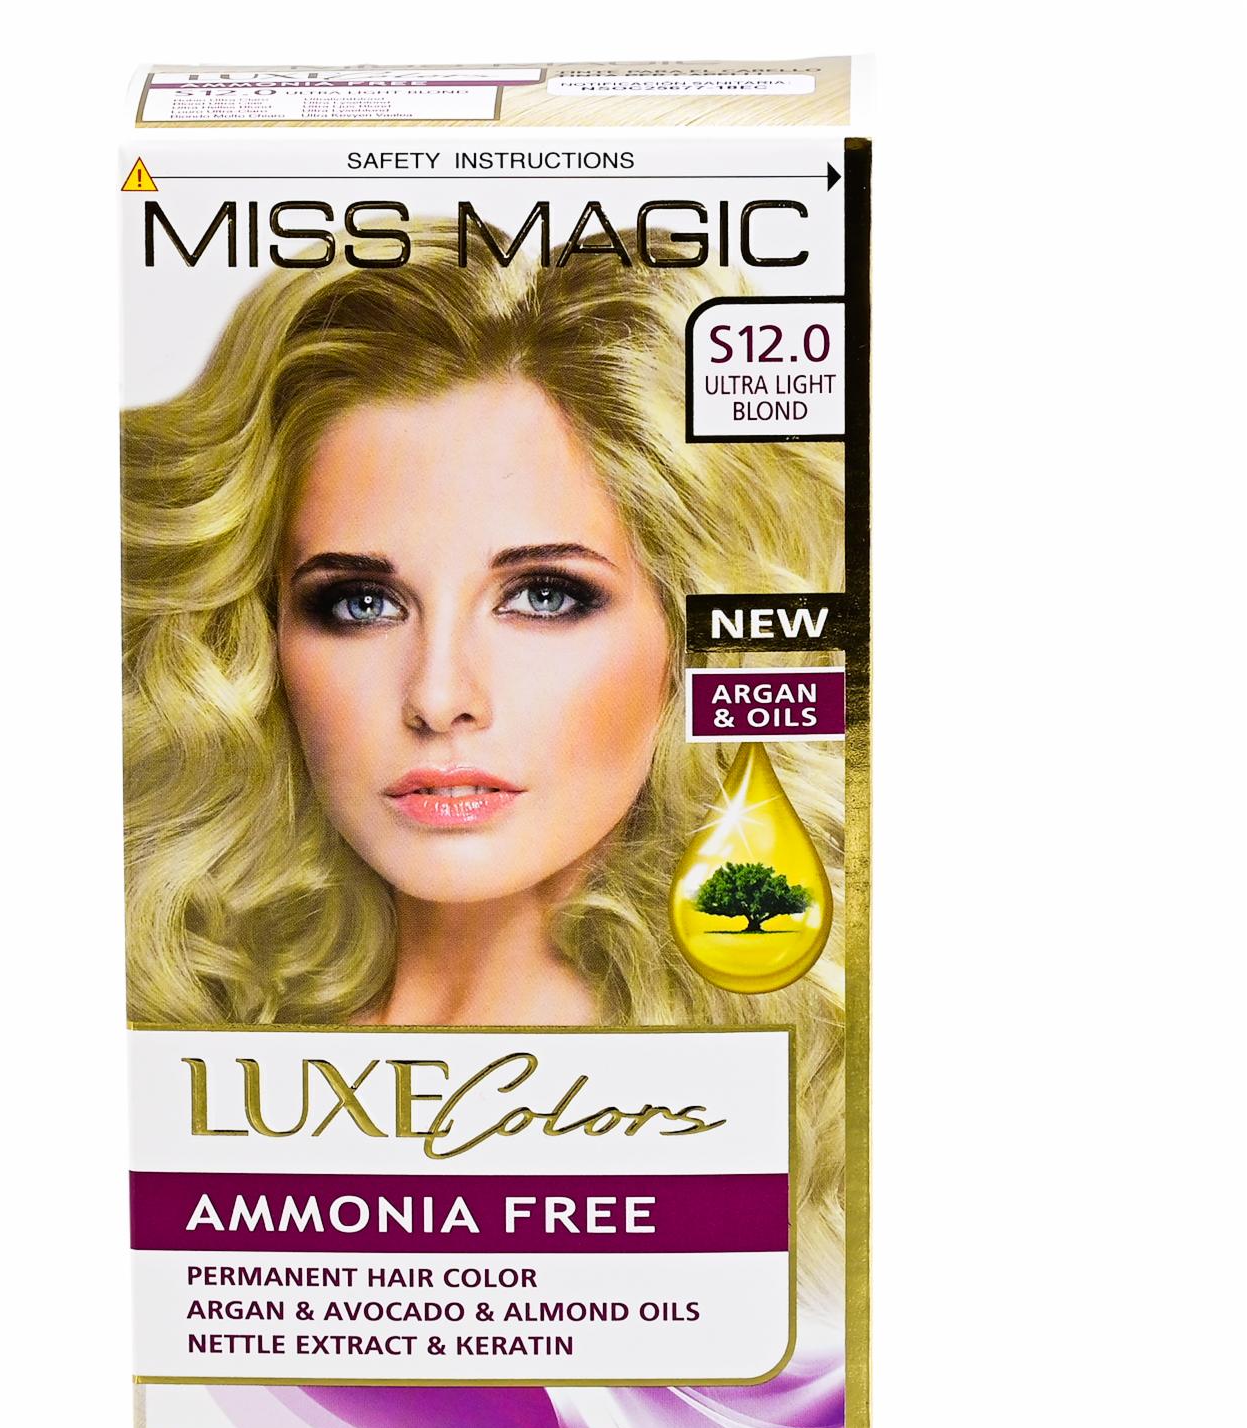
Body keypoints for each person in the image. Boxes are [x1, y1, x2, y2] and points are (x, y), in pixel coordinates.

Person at [122, 224, 846, 1309]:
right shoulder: (177, 1067)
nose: (437, 694)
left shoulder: (811, 1137)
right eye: (358, 603)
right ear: (262, 643)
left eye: (545, 595)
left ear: (693, 639)